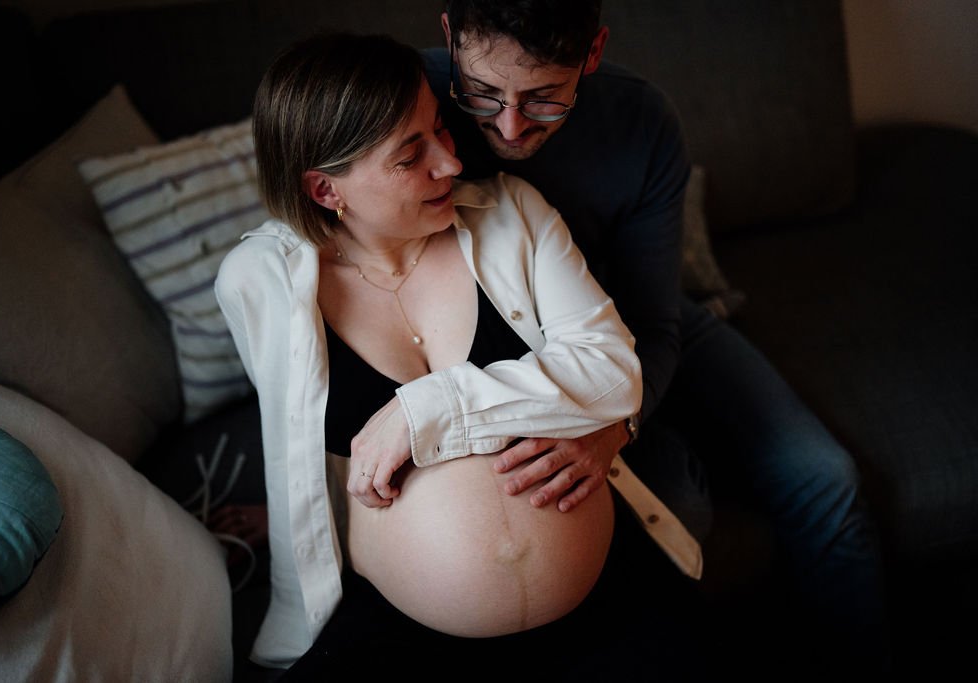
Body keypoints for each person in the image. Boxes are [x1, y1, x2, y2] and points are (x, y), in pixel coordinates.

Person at [216, 32, 706, 679]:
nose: (450, 163)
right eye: (409, 155)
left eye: (440, 130)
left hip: (600, 590)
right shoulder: (259, 282)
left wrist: (430, 405)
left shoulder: (512, 214)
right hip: (403, 620)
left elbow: (614, 370)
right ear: (326, 190)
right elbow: (299, 449)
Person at [422, 0, 890, 674]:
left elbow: (654, 320)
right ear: (449, 35)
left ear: (594, 53)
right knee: (679, 501)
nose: (510, 125)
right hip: (500, 352)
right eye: (484, 92)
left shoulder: (642, 122)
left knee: (827, 480)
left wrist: (614, 427)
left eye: (545, 98)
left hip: (629, 327)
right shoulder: (407, 103)